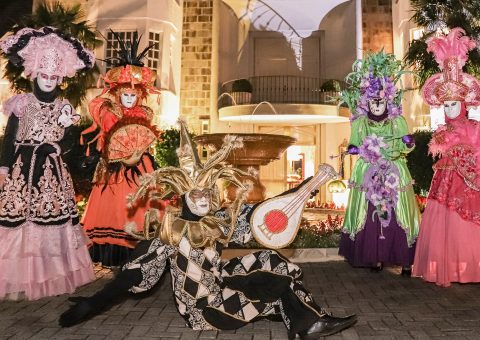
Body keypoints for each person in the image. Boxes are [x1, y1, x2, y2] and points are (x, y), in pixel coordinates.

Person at [59, 120, 357, 339]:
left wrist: (309, 186)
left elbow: (262, 215)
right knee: (277, 289)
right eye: (195, 195)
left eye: (206, 193)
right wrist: (93, 305)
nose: (203, 198)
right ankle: (307, 323)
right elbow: (133, 276)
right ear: (184, 197)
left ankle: (304, 321)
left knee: (273, 262)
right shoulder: (170, 233)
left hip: (222, 281)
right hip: (205, 307)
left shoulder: (215, 223)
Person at [0, 27, 96, 300]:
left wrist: (54, 146)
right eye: (44, 75)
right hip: (21, 171)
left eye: (54, 77)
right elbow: (9, 140)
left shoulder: (65, 107)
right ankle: (19, 276)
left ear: (60, 78)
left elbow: (69, 141)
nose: (48, 80)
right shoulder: (21, 103)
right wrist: (3, 169)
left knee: (51, 223)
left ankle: (49, 274)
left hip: (52, 172)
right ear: (34, 74)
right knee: (17, 222)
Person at [80, 31, 161, 267]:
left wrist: (139, 153)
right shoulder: (109, 112)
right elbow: (110, 141)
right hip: (115, 168)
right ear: (118, 93)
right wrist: (124, 156)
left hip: (142, 166)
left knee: (142, 206)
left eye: (133, 95)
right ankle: (113, 252)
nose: (128, 99)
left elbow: (143, 139)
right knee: (114, 207)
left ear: (139, 95)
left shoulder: (143, 113)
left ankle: (142, 251)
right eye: (125, 94)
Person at [338, 51, 421, 275]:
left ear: (388, 100)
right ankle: (374, 257)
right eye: (372, 101)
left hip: (394, 170)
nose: (376, 105)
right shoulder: (361, 122)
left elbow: (406, 147)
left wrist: (408, 141)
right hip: (368, 171)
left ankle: (404, 260)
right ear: (366, 102)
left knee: (397, 214)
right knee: (370, 212)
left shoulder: (398, 121)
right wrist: (353, 148)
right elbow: (355, 142)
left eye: (380, 101)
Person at [412, 28, 480, 287]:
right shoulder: (442, 131)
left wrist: (464, 159)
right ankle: (450, 268)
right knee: (446, 228)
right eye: (446, 105)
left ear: (464, 104)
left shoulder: (474, 128)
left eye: (454, 104)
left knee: (466, 227)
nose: (450, 109)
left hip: (468, 187)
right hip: (444, 185)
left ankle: (472, 266)